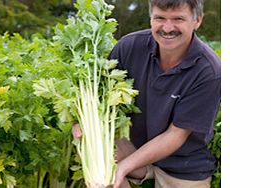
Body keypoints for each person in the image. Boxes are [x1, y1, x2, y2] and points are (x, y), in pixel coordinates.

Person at [74, 0, 220, 187]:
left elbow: (175, 135)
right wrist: (79, 122)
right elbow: (97, 97)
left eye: (178, 19)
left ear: (197, 20)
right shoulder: (129, 47)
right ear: (151, 18)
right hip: (133, 149)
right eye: (160, 18)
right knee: (97, 153)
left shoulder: (208, 71)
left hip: (183, 167)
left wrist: (124, 167)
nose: (168, 28)